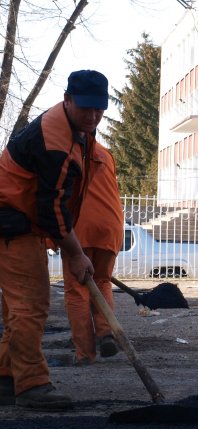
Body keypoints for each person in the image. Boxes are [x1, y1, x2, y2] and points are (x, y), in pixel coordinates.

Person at [0, 69, 108, 410]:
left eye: (99, 109)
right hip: (10, 222)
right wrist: (75, 254)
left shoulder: (78, 132)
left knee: (18, 307)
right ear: (67, 100)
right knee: (30, 305)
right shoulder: (55, 141)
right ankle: (32, 385)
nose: (92, 116)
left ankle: (7, 378)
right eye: (85, 108)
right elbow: (53, 209)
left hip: (21, 220)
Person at [62, 143, 124, 366]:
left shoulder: (66, 153)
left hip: (79, 227)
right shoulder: (106, 153)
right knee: (102, 280)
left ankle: (85, 353)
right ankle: (106, 333)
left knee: (77, 290)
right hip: (111, 224)